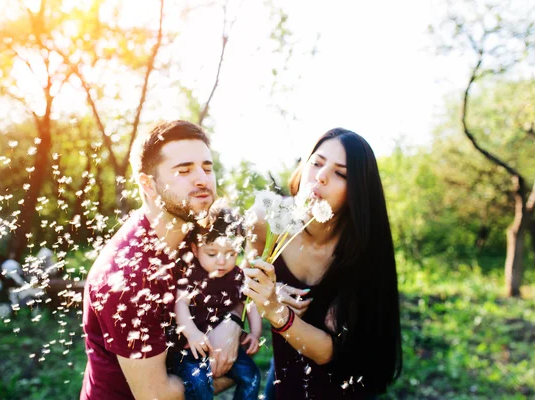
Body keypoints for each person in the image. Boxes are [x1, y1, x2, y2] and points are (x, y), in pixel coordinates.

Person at [80, 120, 243, 400]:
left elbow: (235, 277)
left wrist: (231, 322)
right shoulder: (129, 275)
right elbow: (157, 396)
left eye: (207, 167)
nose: (203, 179)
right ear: (149, 184)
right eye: (184, 170)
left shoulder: (195, 233)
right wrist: (235, 372)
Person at [243, 128, 402, 399]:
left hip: (344, 386)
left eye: (341, 173)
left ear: (358, 193)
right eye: (316, 163)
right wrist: (272, 290)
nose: (321, 176)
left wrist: (276, 310)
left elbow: (330, 351)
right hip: (284, 379)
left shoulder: (362, 250)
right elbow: (246, 278)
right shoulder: (265, 217)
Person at [169, 203, 261, 400]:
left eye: (231, 254)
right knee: (200, 384)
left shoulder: (237, 276)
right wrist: (192, 333)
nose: (222, 261)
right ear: (195, 249)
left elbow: (249, 303)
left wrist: (255, 333)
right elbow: (180, 304)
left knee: (251, 376)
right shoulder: (191, 274)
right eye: (212, 253)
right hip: (191, 348)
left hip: (222, 345)